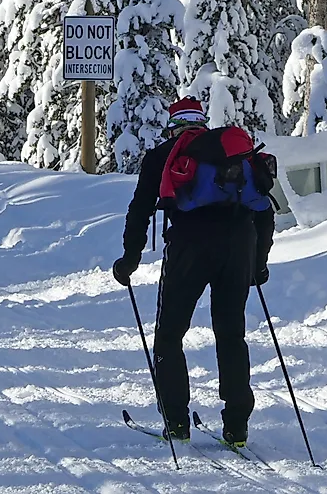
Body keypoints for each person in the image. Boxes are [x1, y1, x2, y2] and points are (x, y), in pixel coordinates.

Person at [112, 97, 274, 447]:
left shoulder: (163, 156)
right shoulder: (236, 155)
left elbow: (140, 209)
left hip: (190, 246)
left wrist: (130, 257)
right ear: (202, 124)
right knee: (231, 334)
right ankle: (237, 427)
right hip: (239, 244)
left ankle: (177, 423)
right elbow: (264, 209)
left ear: (174, 127)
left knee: (170, 334)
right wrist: (258, 261)